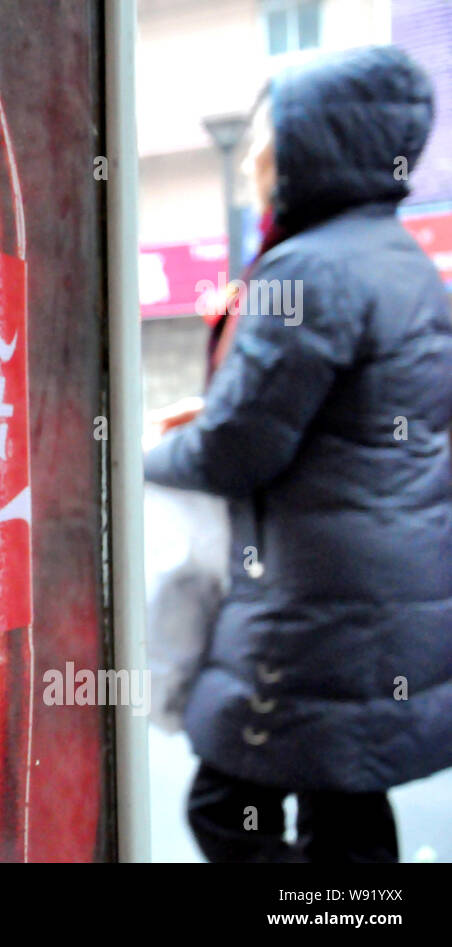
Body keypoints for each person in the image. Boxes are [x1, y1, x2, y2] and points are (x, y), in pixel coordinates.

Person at [144, 44, 452, 863]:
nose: (253, 159)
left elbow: (236, 452)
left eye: (267, 139)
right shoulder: (400, 261)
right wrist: (211, 417)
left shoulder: (309, 270)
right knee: (345, 797)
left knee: (223, 804)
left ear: (310, 148)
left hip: (314, 603)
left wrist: (150, 454)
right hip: (384, 592)